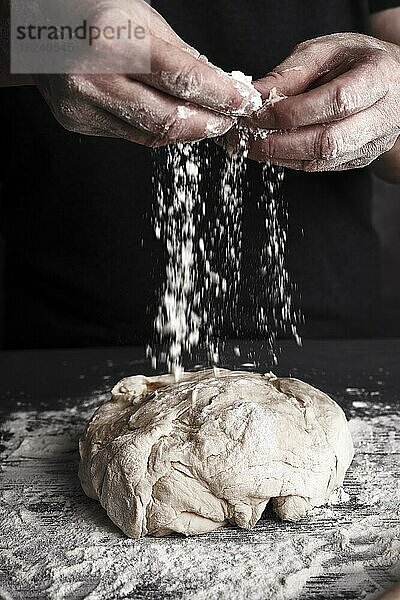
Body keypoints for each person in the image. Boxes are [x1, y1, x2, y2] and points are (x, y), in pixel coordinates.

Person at [0, 0, 399, 350]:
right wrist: (45, 34)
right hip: (57, 346)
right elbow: (24, 30)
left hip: (331, 346)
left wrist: (390, 91)